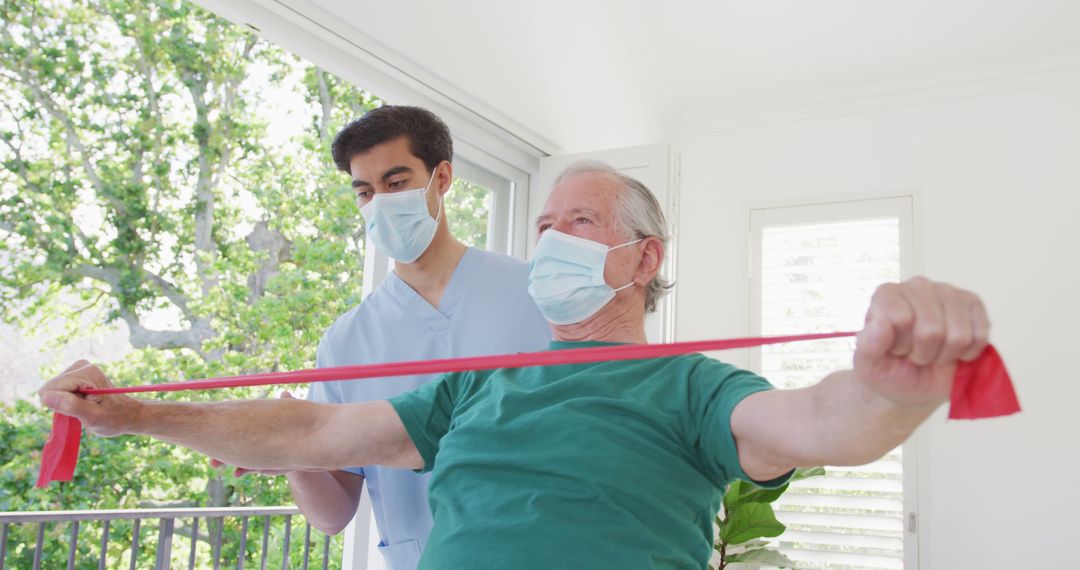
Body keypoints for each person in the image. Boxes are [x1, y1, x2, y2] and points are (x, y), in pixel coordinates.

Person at [41, 162, 991, 570]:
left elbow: (822, 424)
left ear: (644, 258)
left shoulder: (690, 384)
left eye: (579, 223)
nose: (550, 241)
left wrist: (889, 386)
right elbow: (315, 430)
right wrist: (134, 413)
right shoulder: (475, 386)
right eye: (542, 226)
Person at [247, 105, 551, 568]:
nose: (380, 204)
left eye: (396, 183)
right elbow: (332, 516)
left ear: (442, 178)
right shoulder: (346, 342)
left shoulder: (537, 297)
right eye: (365, 192)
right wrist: (292, 453)